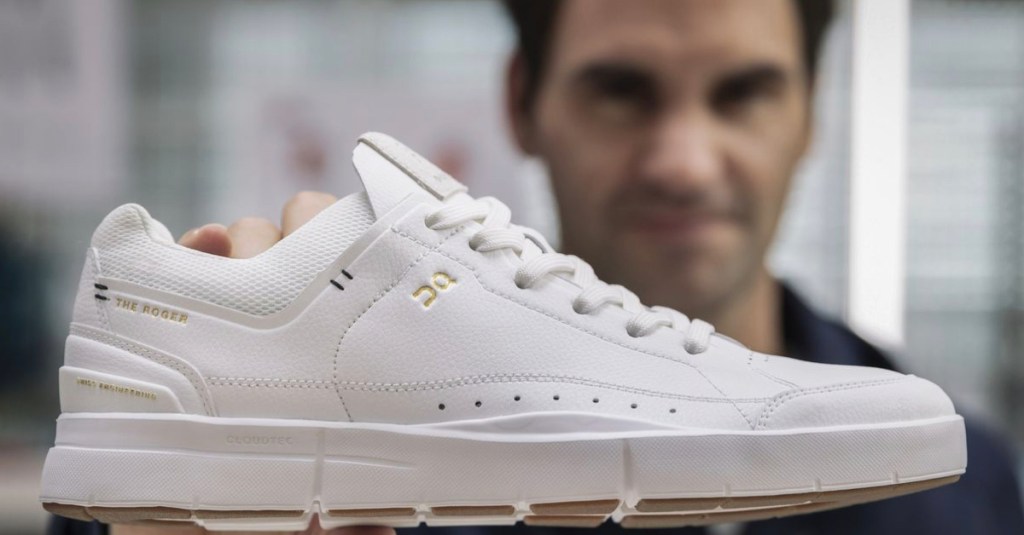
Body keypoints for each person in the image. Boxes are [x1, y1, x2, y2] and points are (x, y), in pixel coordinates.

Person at [51, 1, 1024, 534]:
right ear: (522, 101)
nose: (685, 160)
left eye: (742, 92)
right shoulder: (354, 452)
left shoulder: (957, 482)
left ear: (812, 112)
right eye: (621, 90)